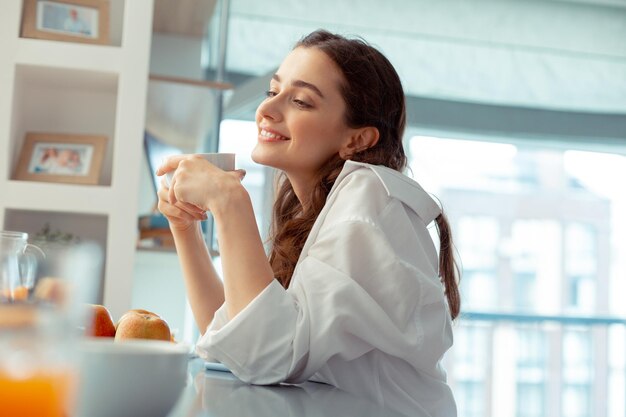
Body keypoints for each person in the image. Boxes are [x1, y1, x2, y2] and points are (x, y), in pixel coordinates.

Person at [157, 29, 460, 417]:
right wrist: (185, 229)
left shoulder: (370, 198)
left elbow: (266, 355)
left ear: (357, 140)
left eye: (300, 101)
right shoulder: (319, 210)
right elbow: (236, 339)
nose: (267, 109)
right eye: (272, 91)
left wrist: (230, 202)